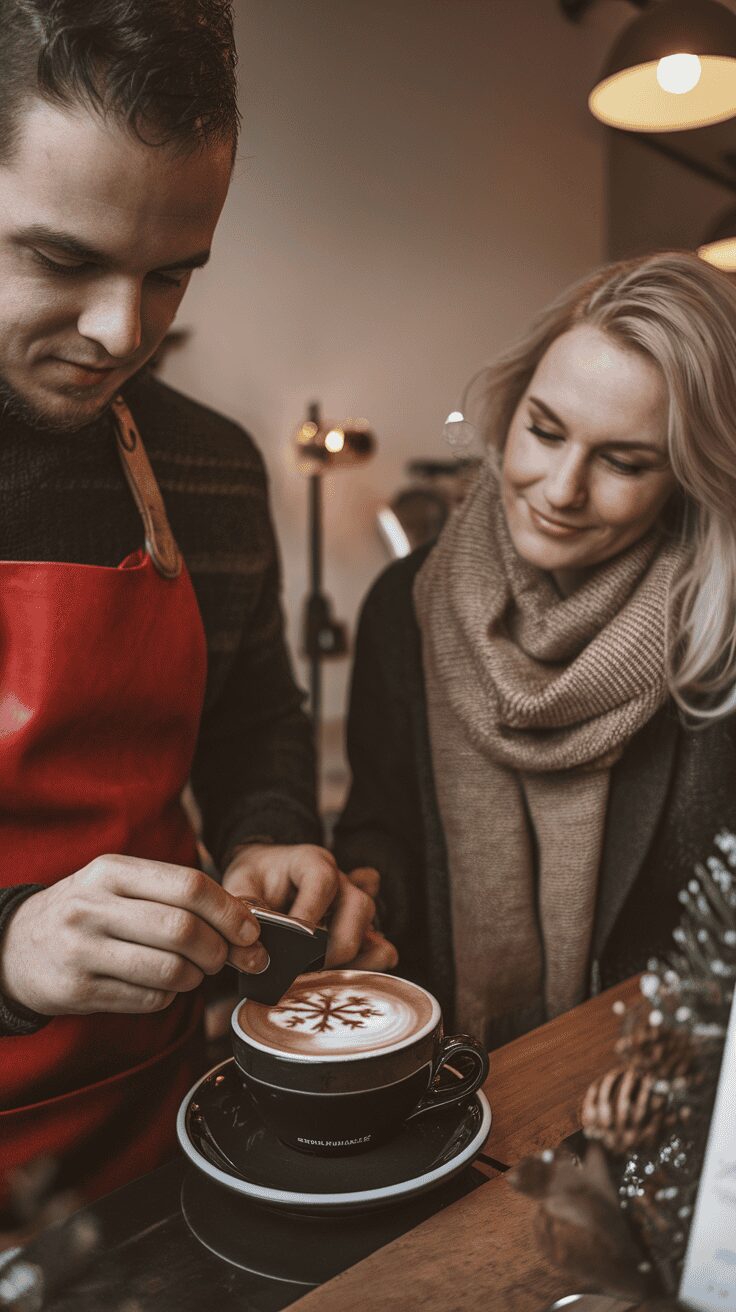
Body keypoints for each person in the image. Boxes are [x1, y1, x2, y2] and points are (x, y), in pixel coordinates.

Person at [0, 0, 395, 1221]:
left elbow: (253, 726)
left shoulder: (210, 470)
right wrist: (11, 947)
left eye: (170, 272)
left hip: (154, 1145)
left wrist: (270, 838)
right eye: (62, 260)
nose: (123, 331)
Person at [335, 251, 736, 1050]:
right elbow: (383, 827)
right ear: (510, 408)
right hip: (446, 1080)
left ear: (688, 478)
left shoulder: (717, 645)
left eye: (624, 461)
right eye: (544, 431)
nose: (560, 488)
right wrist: (361, 901)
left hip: (655, 1097)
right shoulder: (402, 606)